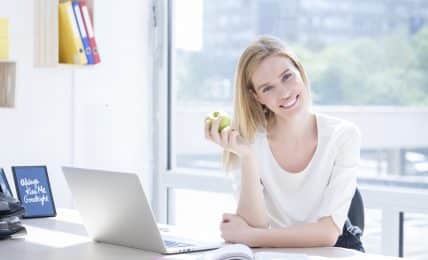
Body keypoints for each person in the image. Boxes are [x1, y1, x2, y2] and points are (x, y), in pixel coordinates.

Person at [204, 36, 364, 252]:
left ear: (300, 71)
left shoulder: (343, 135)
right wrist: (248, 158)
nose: (284, 92)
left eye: (287, 76)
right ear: (256, 97)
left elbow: (328, 233)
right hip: (276, 251)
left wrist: (251, 236)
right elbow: (254, 225)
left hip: (337, 249)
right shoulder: (247, 141)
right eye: (267, 88)